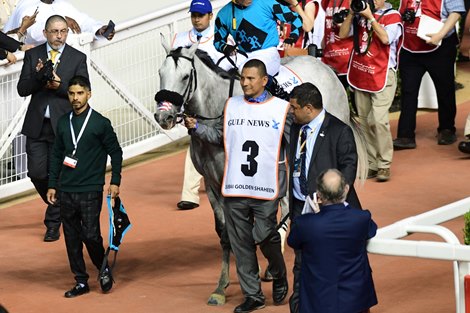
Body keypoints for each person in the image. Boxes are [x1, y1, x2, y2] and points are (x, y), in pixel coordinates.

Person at [184, 59, 289, 313]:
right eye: (243, 78)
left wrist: (285, 182)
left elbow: (291, 149)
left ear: (264, 80)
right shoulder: (231, 106)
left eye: (251, 78)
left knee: (266, 236)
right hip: (235, 187)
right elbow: (219, 136)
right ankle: (253, 295)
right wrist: (197, 127)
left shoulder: (282, 109)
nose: (244, 82)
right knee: (240, 242)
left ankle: (278, 271)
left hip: (266, 187)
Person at [287, 82, 362, 313]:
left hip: (328, 210)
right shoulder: (296, 127)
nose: (291, 112)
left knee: (333, 262)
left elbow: (348, 169)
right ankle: (299, 305)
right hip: (300, 205)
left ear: (309, 108)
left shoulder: (339, 130)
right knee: (301, 261)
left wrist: (329, 200)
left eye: (294, 108)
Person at [46, 75, 122, 298]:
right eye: (72, 93)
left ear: (89, 94)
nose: (75, 98)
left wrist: (115, 181)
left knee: (90, 235)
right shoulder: (63, 122)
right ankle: (80, 281)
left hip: (90, 189)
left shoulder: (100, 123)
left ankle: (103, 269)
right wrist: (52, 184)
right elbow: (57, 154)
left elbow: (116, 152)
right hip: (66, 190)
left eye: (80, 93)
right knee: (71, 238)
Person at [17, 14, 89, 242]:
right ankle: (60, 208)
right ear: (45, 33)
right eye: (55, 32)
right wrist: (39, 79)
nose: (59, 36)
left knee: (59, 174)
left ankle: (52, 221)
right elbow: (22, 89)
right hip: (37, 125)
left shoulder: (78, 58)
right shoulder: (33, 55)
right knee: (37, 173)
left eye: (63, 31)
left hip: (63, 125)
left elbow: (83, 92)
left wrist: (59, 86)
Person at [287, 168, 378, 313]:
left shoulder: (305, 224)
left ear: (320, 195)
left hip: (318, 301)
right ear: (346, 189)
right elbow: (371, 231)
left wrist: (317, 215)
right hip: (355, 300)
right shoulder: (361, 218)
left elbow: (293, 241)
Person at [171, 0, 232, 210]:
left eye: (201, 15)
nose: (197, 19)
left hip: (217, 100)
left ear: (210, 16)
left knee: (208, 140)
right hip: (192, 102)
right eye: (194, 15)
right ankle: (189, 193)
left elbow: (228, 68)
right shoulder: (179, 39)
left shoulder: (221, 37)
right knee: (196, 140)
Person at [338, 0, 403, 182]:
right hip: (361, 73)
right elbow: (342, 35)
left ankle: (384, 164)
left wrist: (371, 18)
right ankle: (372, 163)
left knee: (379, 120)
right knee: (364, 121)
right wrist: (351, 14)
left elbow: (385, 39)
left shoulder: (393, 16)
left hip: (383, 74)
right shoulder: (359, 15)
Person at [393, 0, 466, 149]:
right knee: (408, 91)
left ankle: (446, 129)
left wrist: (440, 34)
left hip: (441, 46)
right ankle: (405, 135)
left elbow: (456, 12)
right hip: (410, 47)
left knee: (445, 88)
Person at [213, 0, 303, 76]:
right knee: (218, 69)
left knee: (247, 71)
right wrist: (225, 47)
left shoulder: (266, 2)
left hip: (267, 52)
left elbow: (296, 18)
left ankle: (277, 91)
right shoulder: (223, 14)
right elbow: (217, 42)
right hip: (242, 54)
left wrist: (292, 37)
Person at [4, 0, 115, 46]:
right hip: (26, 67)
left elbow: (83, 21)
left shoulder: (61, 4)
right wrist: (62, 22)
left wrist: (99, 29)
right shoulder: (27, 5)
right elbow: (34, 33)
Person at [321, 0, 356, 110]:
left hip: (347, 60)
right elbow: (328, 25)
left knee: (357, 107)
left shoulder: (353, 2)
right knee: (331, 105)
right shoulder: (327, 2)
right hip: (329, 59)